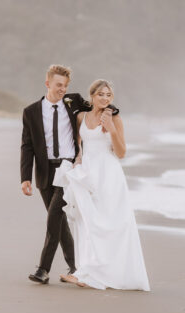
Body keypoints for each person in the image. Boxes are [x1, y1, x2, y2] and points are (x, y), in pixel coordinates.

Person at [20, 65, 118, 284]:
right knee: (59, 222)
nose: (62, 89)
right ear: (47, 84)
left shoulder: (73, 101)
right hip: (45, 172)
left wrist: (112, 112)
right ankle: (76, 266)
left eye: (65, 85)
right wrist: (25, 177)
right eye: (58, 85)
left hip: (69, 170)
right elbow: (27, 146)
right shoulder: (31, 112)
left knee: (54, 217)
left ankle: (43, 269)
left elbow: (98, 104)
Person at [54, 79, 150, 291]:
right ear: (92, 96)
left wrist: (111, 130)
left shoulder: (115, 117)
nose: (105, 98)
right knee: (87, 221)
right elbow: (79, 145)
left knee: (111, 224)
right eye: (101, 95)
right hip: (88, 173)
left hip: (109, 175)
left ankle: (108, 273)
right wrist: (78, 159)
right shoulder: (81, 117)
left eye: (108, 95)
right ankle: (86, 271)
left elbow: (122, 153)